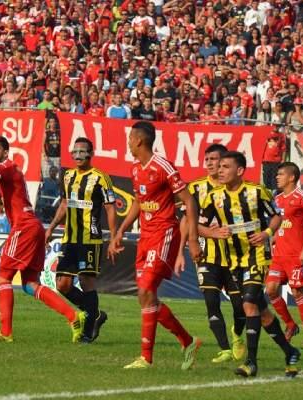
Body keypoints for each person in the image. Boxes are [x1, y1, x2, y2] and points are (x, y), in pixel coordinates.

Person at [0, 136, 85, 343]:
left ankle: (6, 332)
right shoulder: (10, 170)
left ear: (6, 153)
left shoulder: (7, 166)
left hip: (24, 227)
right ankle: (74, 316)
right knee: (30, 284)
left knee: (3, 277)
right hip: (33, 226)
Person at [109, 121, 203, 370]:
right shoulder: (135, 169)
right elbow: (139, 202)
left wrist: (192, 240)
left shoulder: (162, 166)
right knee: (146, 297)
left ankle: (146, 358)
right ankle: (188, 341)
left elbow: (189, 201)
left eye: (130, 138)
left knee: (145, 289)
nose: (128, 143)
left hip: (164, 235)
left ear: (139, 140)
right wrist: (121, 231)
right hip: (145, 238)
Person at [199, 151, 300, 378]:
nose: (220, 170)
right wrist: (214, 233)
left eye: (225, 167)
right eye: (220, 166)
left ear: (240, 171)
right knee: (261, 312)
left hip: (257, 255)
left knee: (248, 304)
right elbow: (199, 226)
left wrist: (267, 233)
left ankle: (251, 362)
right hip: (233, 260)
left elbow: (276, 216)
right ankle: (290, 351)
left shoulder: (256, 192)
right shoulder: (214, 196)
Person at [45, 137, 118, 342]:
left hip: (90, 239)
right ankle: (95, 314)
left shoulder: (100, 178)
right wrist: (50, 228)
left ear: (91, 153)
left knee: (86, 281)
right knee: (62, 284)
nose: (78, 155)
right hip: (70, 239)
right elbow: (65, 204)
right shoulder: (67, 176)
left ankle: (88, 331)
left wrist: (114, 237)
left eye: (82, 151)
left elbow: (110, 207)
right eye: (75, 151)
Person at [179, 143, 247, 364]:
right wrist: (183, 250)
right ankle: (225, 348)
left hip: (236, 256)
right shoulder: (196, 188)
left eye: (214, 159)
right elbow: (187, 221)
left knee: (240, 305)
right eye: (206, 159)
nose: (209, 163)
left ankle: (237, 335)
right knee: (211, 300)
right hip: (207, 255)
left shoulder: (241, 189)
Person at [265, 162, 303, 347]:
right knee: (271, 290)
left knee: (297, 291)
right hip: (278, 255)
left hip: (296, 255)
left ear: (291, 177)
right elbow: (280, 223)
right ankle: (290, 325)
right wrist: (273, 237)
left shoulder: (302, 197)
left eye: (281, 174)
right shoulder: (277, 198)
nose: (277, 177)